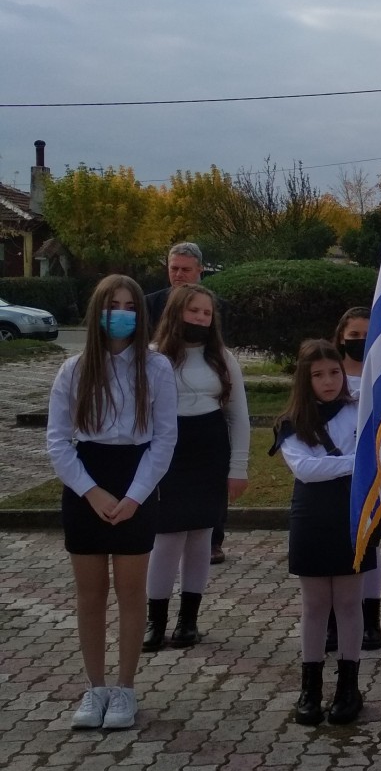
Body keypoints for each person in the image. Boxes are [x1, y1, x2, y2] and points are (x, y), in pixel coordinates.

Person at [46, 275, 178, 730]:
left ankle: (125, 688)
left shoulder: (157, 368)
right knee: (90, 594)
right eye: (112, 305)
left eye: (129, 306)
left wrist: (135, 496)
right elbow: (58, 441)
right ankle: (95, 687)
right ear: (96, 312)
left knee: (130, 591)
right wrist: (91, 491)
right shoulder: (74, 369)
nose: (120, 313)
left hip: (136, 480)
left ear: (141, 314)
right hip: (86, 483)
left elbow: (165, 439)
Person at [143, 285, 250, 652]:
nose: (201, 318)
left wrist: (238, 467)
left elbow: (238, 416)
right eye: (194, 311)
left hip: (210, 451)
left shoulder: (223, 358)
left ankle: (188, 622)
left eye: (207, 313)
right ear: (176, 312)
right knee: (167, 538)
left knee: (201, 536)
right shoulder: (152, 357)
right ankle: (155, 622)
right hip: (168, 454)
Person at [274, 339, 370, 726]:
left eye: (334, 372)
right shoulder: (291, 421)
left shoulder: (357, 407)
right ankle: (310, 688)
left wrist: (365, 386)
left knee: (348, 602)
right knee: (314, 604)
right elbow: (306, 470)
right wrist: (360, 461)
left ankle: (349, 687)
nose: (329, 381)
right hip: (312, 514)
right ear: (305, 379)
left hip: (352, 512)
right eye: (318, 375)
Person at [146, 242, 230, 566]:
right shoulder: (150, 304)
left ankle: (213, 540)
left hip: (207, 425)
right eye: (174, 268)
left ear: (200, 271)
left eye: (185, 269)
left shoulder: (216, 306)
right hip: (167, 420)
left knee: (210, 494)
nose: (179, 274)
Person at [334, 306, 381, 651]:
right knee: (334, 547)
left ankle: (371, 620)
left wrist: (373, 397)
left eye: (367, 336)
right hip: (331, 475)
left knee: (370, 547)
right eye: (353, 335)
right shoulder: (328, 373)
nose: (360, 341)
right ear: (341, 337)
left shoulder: (380, 375)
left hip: (373, 475)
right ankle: (333, 621)